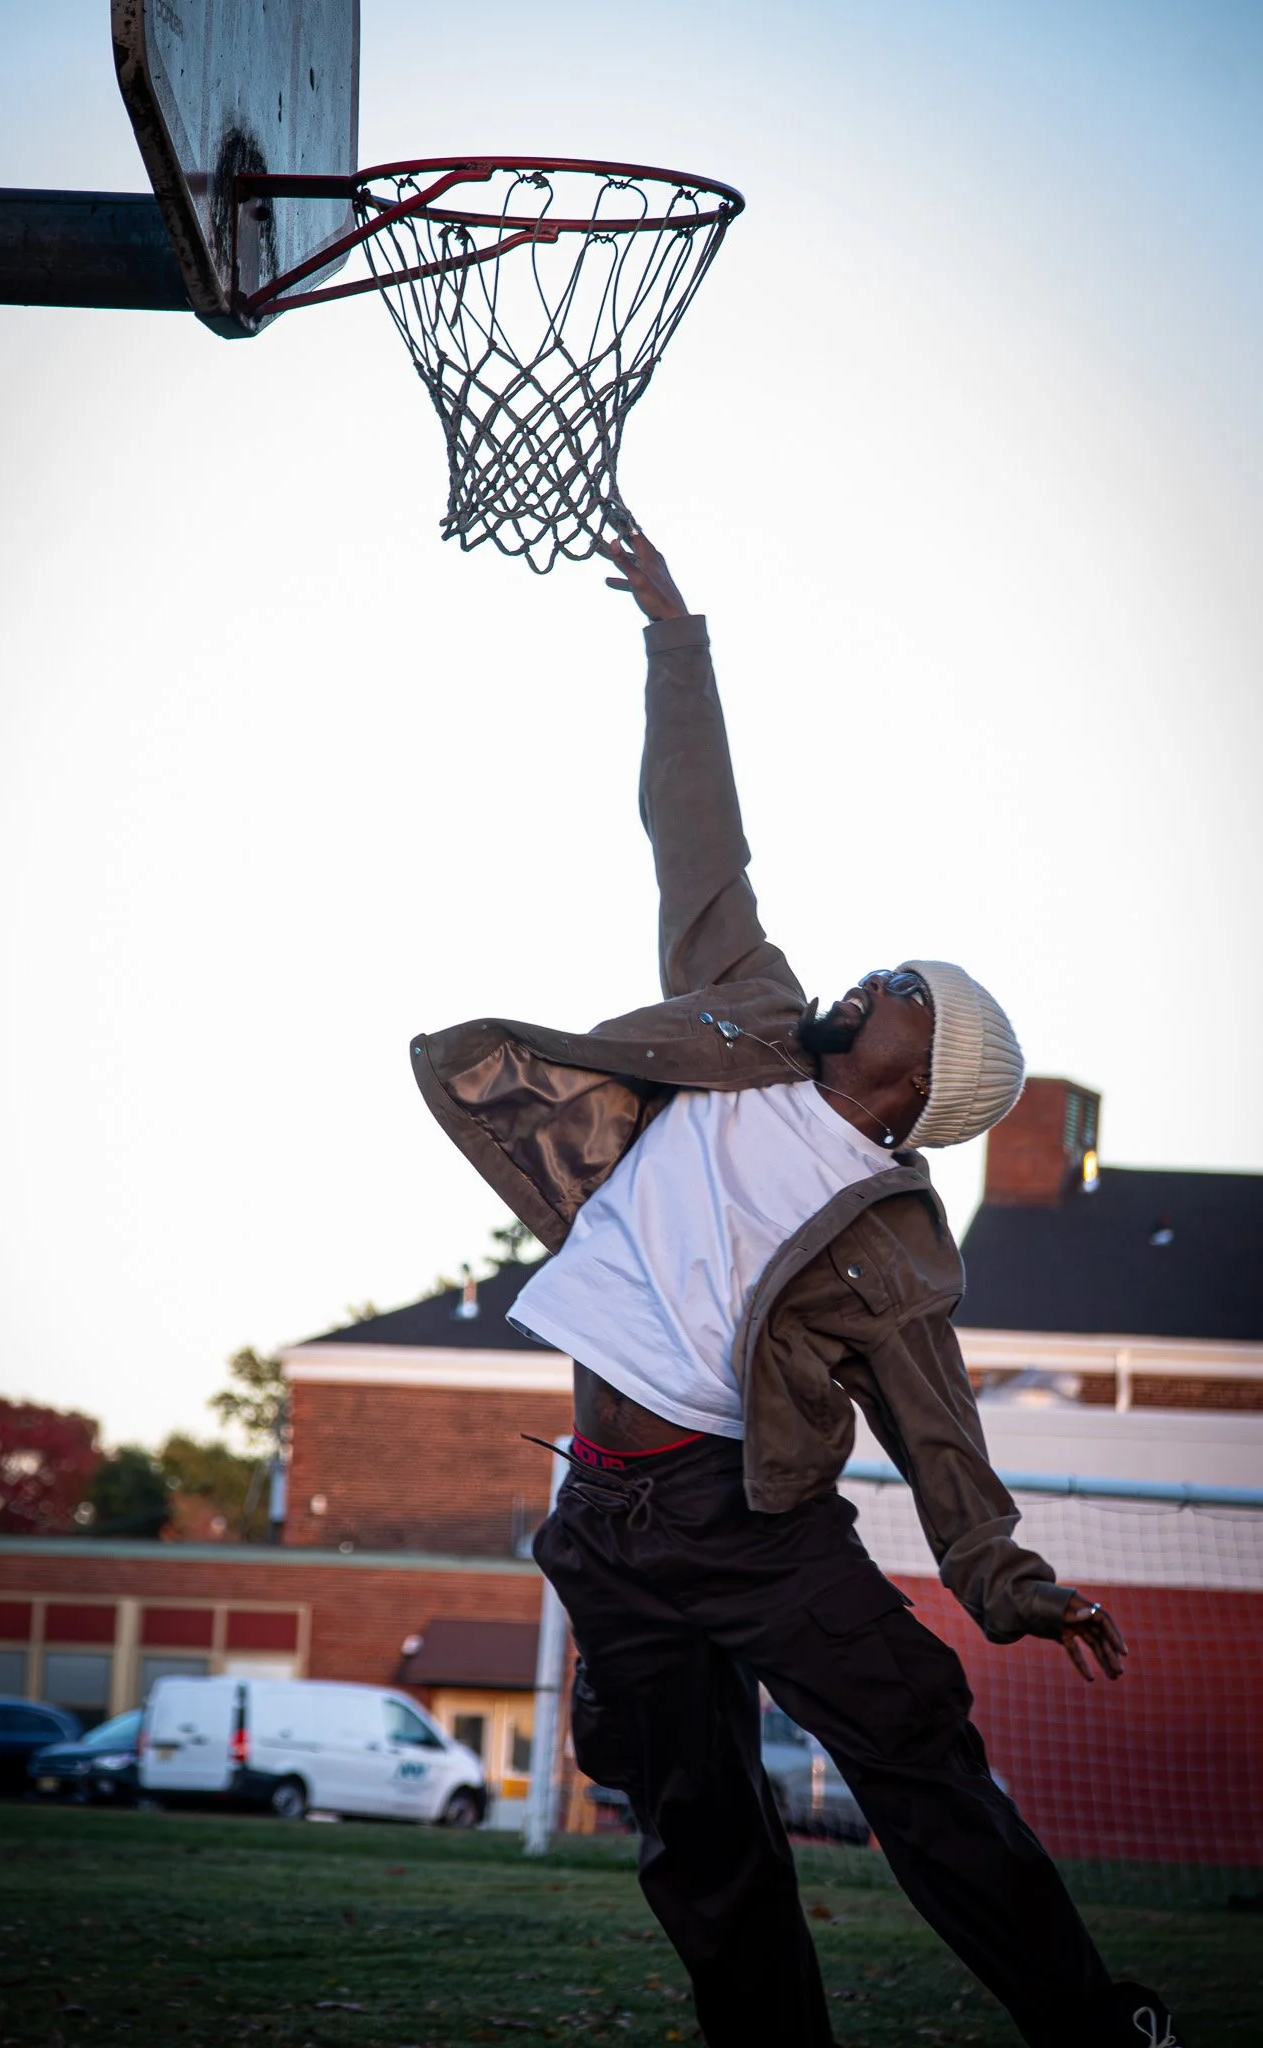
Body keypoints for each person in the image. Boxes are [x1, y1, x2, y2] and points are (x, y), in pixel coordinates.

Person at [409, 531, 1183, 2048]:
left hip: (740, 1521)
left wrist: (1009, 1585)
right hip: (608, 1519)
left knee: (915, 1751)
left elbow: (940, 1433)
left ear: (918, 1080)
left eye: (907, 988)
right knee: (695, 1828)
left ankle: (1097, 2027)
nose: (879, 975)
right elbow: (698, 840)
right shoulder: (747, 1014)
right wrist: (675, 639)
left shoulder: (894, 1237)